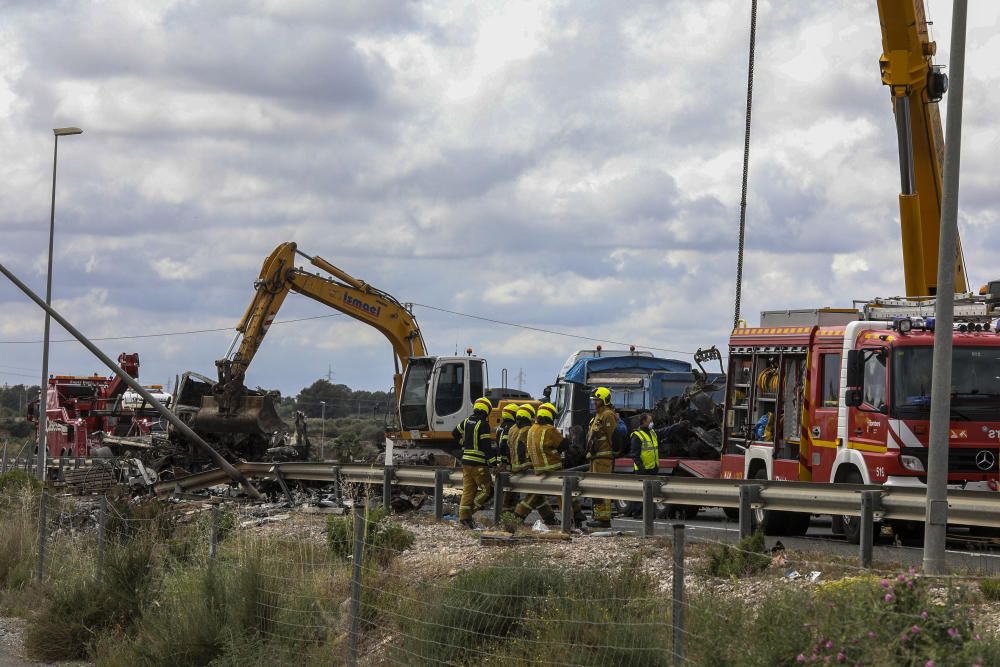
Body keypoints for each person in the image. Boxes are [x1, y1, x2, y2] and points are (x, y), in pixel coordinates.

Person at [514, 405, 582, 528]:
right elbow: (564, 446)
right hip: (552, 468)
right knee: (564, 494)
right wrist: (576, 449)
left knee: (534, 494)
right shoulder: (549, 430)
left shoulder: (532, 429)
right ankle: (571, 520)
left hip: (538, 468)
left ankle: (518, 517)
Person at [452, 397, 496, 529]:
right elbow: (486, 447)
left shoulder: (466, 421)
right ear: (486, 410)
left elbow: (454, 433)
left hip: (466, 463)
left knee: (468, 490)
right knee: (486, 491)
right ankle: (469, 513)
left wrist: (464, 443)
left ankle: (464, 518)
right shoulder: (483, 424)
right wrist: (493, 463)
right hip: (478, 465)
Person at [585, 386, 617, 529]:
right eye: (594, 400)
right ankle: (598, 516)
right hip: (595, 458)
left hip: (603, 459)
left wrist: (612, 452)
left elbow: (612, 437)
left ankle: (604, 519)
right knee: (595, 489)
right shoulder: (597, 416)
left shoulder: (608, 415)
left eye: (597, 400)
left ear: (604, 400)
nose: (594, 402)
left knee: (602, 489)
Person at [624, 413, 658, 518]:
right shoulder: (637, 436)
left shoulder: (652, 433)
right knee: (640, 492)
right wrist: (641, 467)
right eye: (650, 420)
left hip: (652, 468)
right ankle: (638, 513)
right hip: (642, 470)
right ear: (644, 421)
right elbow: (635, 455)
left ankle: (648, 513)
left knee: (650, 493)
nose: (652, 423)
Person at [494, 402, 518, 512]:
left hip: (500, 461)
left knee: (504, 489)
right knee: (510, 490)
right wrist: (506, 459)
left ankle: (505, 511)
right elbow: (504, 444)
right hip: (506, 463)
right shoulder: (510, 427)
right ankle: (505, 513)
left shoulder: (501, 427)